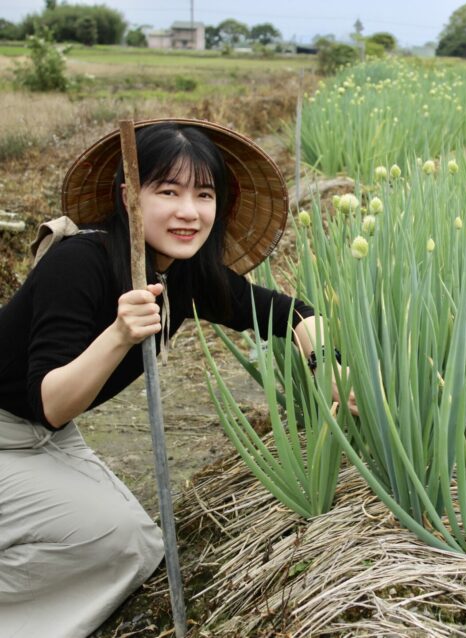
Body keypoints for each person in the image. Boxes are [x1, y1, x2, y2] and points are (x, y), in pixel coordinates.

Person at [0, 118, 351, 637]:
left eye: (204, 194)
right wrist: (119, 334)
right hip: (16, 427)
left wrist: (330, 365)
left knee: (136, 547)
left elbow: (288, 312)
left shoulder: (182, 274)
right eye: (168, 191)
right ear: (128, 196)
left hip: (44, 436)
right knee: (114, 539)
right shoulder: (81, 263)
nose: (189, 211)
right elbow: (50, 398)